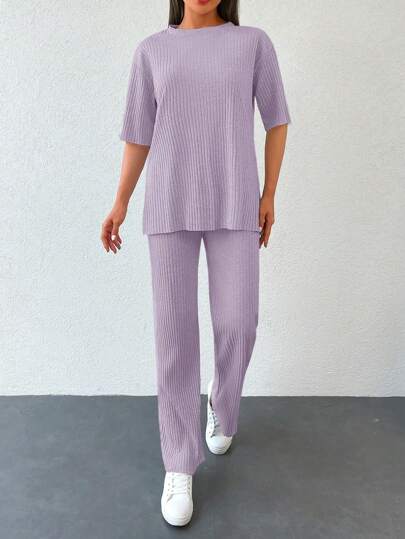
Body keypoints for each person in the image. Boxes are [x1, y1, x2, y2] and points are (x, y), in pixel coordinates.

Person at [101, 0, 291, 527]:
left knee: (239, 323)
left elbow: (277, 120)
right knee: (175, 338)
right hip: (168, 204)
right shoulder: (152, 52)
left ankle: (222, 406)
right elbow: (139, 134)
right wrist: (120, 202)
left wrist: (269, 194)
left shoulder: (252, 44)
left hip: (235, 201)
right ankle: (179, 463)